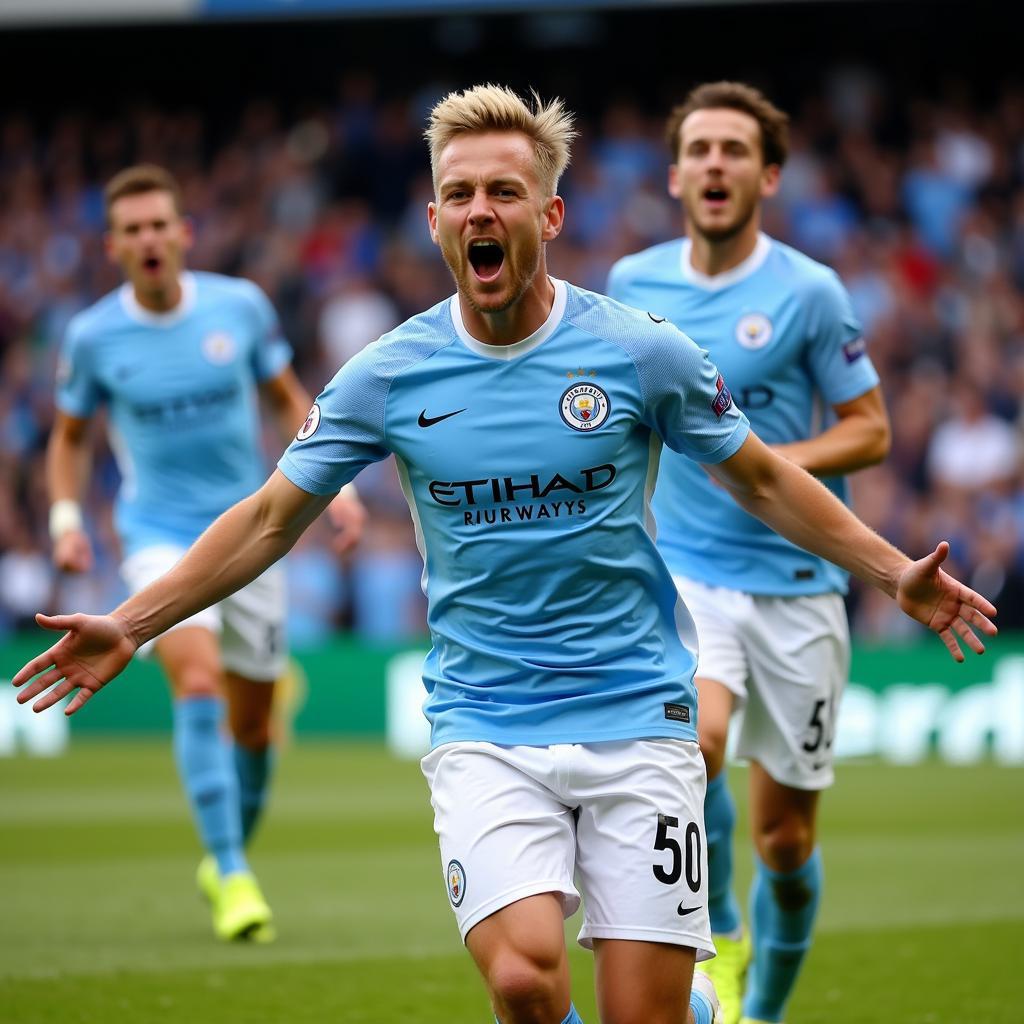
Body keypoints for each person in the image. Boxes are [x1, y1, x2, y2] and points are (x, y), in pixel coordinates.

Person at [15, 87, 995, 1024]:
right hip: (484, 724)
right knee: (524, 981)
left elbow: (765, 478)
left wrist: (888, 570)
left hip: (639, 719)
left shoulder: (639, 351)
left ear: (550, 212)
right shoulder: (388, 374)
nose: (478, 210)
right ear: (433, 218)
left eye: (502, 191)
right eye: (458, 193)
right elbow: (273, 516)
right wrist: (131, 620)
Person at [606, 81, 891, 1024]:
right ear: (677, 172)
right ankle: (717, 938)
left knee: (784, 839)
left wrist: (767, 462)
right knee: (695, 745)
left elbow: (871, 428)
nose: (715, 165)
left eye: (734, 150)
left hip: (800, 587)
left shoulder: (809, 291)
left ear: (767, 174)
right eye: (699, 149)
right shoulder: (633, 287)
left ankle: (763, 1007)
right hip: (690, 572)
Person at [45, 164, 365, 942]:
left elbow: (289, 399)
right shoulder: (91, 337)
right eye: (134, 229)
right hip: (156, 536)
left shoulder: (240, 309)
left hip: (249, 539)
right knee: (195, 678)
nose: (150, 239)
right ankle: (229, 870)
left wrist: (340, 485)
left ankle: (228, 854)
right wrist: (63, 516)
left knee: (255, 729)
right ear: (113, 245)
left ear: (184, 234)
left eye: (162, 224)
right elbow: (71, 438)